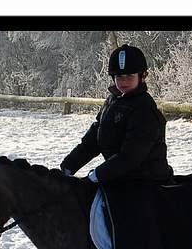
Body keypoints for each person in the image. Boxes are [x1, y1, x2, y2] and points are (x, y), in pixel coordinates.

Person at [60, 44, 173, 185]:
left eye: (129, 76)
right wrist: (69, 166)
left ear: (142, 76)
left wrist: (97, 175)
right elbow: (94, 139)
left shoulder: (144, 109)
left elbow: (131, 156)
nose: (123, 81)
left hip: (147, 182)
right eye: (119, 76)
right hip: (120, 176)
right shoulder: (112, 102)